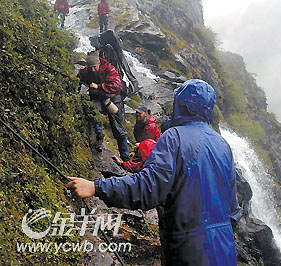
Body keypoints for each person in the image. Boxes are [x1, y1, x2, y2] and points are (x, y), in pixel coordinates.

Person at [67, 79, 241, 265]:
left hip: (190, 249)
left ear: (182, 105)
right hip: (225, 247)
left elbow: (148, 187)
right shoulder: (222, 144)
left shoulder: (174, 137)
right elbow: (233, 208)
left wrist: (96, 187)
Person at [77, 53, 130, 161]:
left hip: (113, 99)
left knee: (118, 128)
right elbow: (79, 79)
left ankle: (125, 158)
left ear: (99, 64)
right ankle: (99, 142)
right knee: (95, 117)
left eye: (94, 67)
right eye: (90, 67)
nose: (92, 70)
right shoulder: (86, 71)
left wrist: (99, 86)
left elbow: (116, 86)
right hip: (97, 98)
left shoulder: (110, 69)